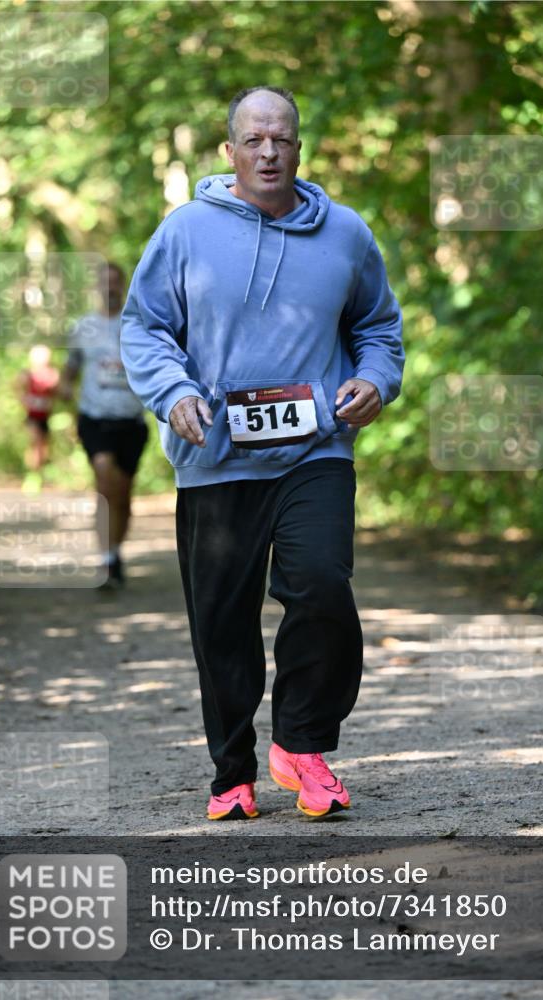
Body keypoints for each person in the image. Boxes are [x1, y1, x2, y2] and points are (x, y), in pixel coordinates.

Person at [121, 87, 404, 819]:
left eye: (281, 139)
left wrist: (374, 380)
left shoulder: (345, 233)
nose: (268, 152)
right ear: (230, 152)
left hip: (316, 449)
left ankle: (303, 745)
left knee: (319, 585)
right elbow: (145, 328)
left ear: (299, 149)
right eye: (253, 140)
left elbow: (378, 328)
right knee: (221, 617)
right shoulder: (184, 231)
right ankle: (231, 770)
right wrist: (172, 391)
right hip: (215, 452)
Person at [61, 261, 148, 588]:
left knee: (122, 495)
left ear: (123, 286)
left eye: (115, 283)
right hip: (94, 419)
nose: (109, 288)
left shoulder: (138, 325)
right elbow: (70, 368)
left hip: (131, 421)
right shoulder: (83, 327)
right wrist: (65, 386)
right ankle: (106, 559)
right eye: (104, 283)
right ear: (96, 288)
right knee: (104, 478)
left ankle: (115, 551)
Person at [17, 344, 59, 472]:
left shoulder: (52, 374)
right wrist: (25, 400)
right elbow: (18, 388)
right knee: (35, 441)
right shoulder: (28, 374)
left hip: (45, 415)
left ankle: (39, 470)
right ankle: (32, 472)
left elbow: (56, 391)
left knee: (43, 446)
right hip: (32, 415)